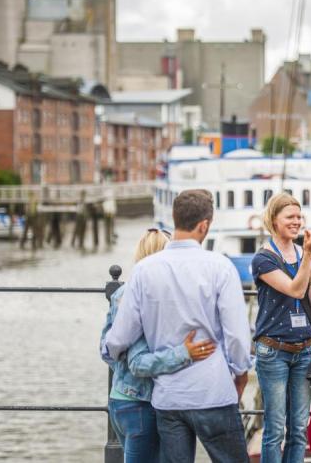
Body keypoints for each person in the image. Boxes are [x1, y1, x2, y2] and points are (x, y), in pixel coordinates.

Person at [103, 189, 252, 462]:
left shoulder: (144, 270)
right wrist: (240, 373)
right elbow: (237, 335)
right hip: (212, 392)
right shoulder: (220, 267)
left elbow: (120, 336)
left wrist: (113, 354)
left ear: (174, 218)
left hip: (168, 398)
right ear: (204, 225)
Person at [100, 228, 218, 462]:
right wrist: (184, 353)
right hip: (143, 402)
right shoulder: (145, 296)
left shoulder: (122, 294)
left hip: (120, 397)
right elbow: (138, 363)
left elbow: (106, 351)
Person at [251, 193, 311, 463]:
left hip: (305, 349)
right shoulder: (264, 259)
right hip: (274, 351)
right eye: (290, 217)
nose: (297, 222)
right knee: (274, 428)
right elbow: (294, 290)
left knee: (298, 428)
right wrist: (306, 256)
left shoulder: (302, 255)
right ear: (274, 220)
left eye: (299, 216)